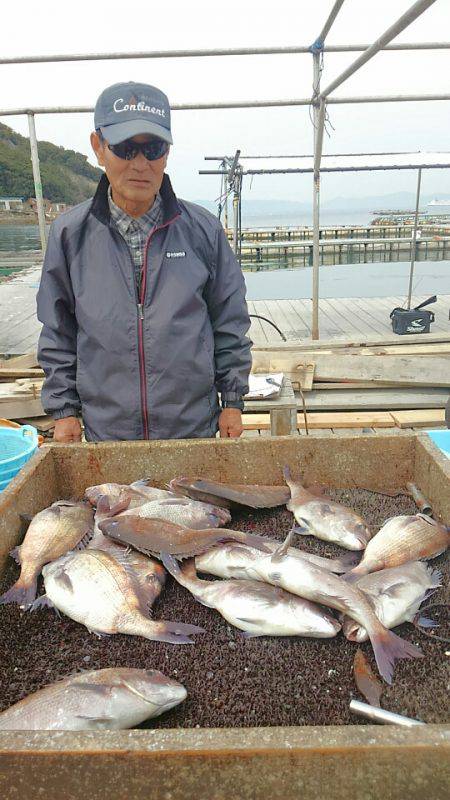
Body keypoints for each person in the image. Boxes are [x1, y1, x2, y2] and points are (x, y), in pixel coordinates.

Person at [37, 82, 252, 442]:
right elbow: (57, 331)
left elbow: (229, 320)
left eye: (153, 148)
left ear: (167, 152)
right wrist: (64, 411)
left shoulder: (204, 231)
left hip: (192, 430)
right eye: (125, 148)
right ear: (98, 147)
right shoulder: (69, 234)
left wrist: (232, 400)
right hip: (108, 434)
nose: (140, 164)